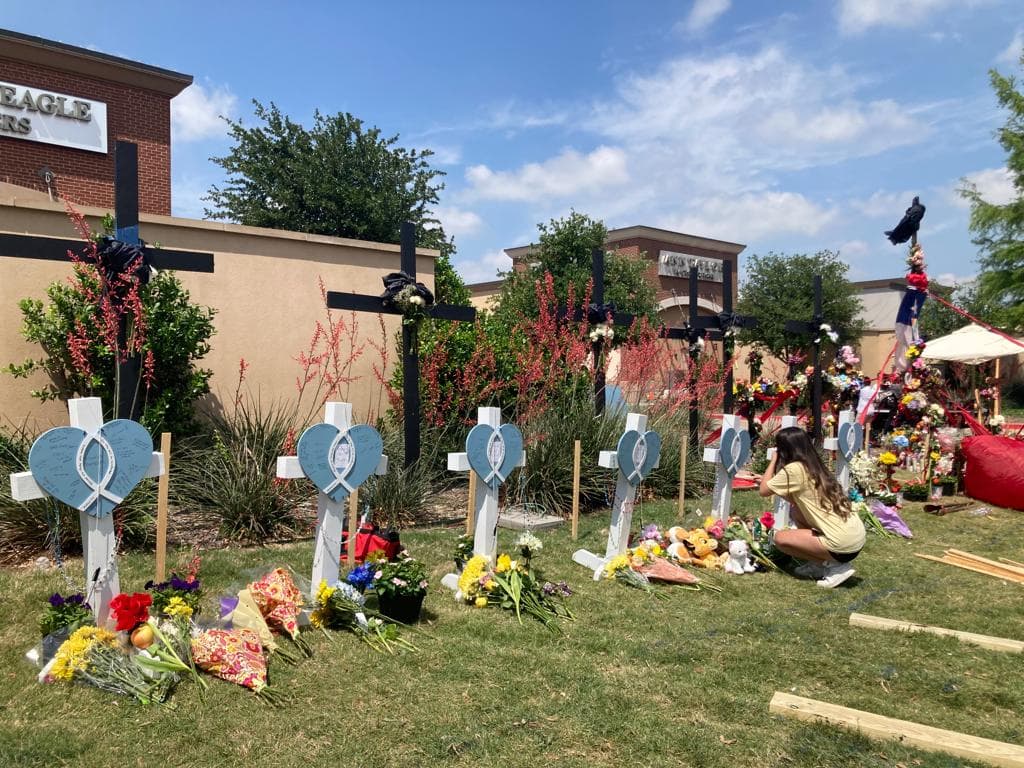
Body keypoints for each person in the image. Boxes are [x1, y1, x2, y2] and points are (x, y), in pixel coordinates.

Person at [759, 427, 866, 588]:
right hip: (856, 539)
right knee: (796, 512)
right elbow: (793, 498)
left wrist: (773, 460)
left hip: (841, 545)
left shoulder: (794, 469)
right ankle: (817, 565)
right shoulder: (815, 465)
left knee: (780, 539)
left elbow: (763, 490)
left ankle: (835, 567)